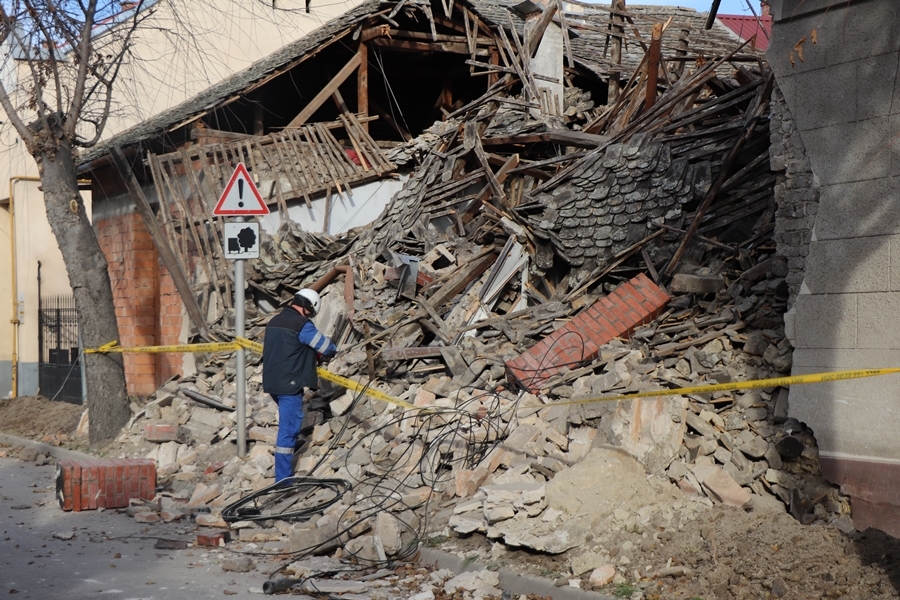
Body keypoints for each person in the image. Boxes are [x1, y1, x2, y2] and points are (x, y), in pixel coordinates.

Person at [262, 288, 336, 483]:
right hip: (289, 384)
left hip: (272, 382)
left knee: (288, 426)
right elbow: (326, 347)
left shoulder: (274, 321)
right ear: (308, 308)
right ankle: (283, 480)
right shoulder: (301, 324)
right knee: (288, 430)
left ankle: (283, 473)